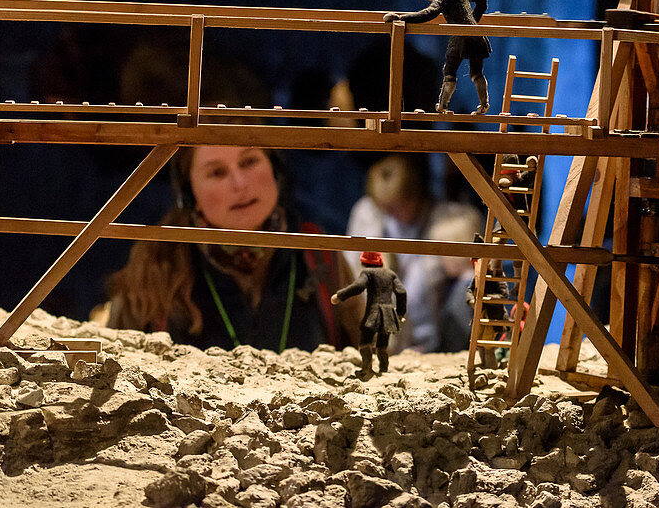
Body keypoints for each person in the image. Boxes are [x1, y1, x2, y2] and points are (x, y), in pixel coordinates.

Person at [101, 145, 361, 351]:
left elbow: (362, 359)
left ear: (275, 170)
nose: (239, 184)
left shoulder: (319, 251)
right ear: (189, 195)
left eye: (249, 162)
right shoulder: (155, 262)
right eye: (217, 172)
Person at [343, 154, 483, 352]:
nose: (393, 214)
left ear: (415, 196)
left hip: (430, 338)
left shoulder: (446, 219)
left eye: (398, 206)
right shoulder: (368, 214)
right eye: (386, 209)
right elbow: (351, 271)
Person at [384, 0, 490, 114]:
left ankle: (443, 105)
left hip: (459, 38)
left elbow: (429, 13)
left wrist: (403, 18)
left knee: (449, 72)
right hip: (477, 35)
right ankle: (484, 104)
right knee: (476, 73)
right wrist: (473, 20)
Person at [331, 251, 407, 379]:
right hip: (388, 315)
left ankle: (367, 369)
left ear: (364, 262)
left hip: (374, 314)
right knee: (382, 345)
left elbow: (358, 286)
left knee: (365, 343)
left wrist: (340, 296)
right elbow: (402, 292)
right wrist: (400, 312)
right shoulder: (391, 275)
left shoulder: (367, 273)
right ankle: (383, 369)